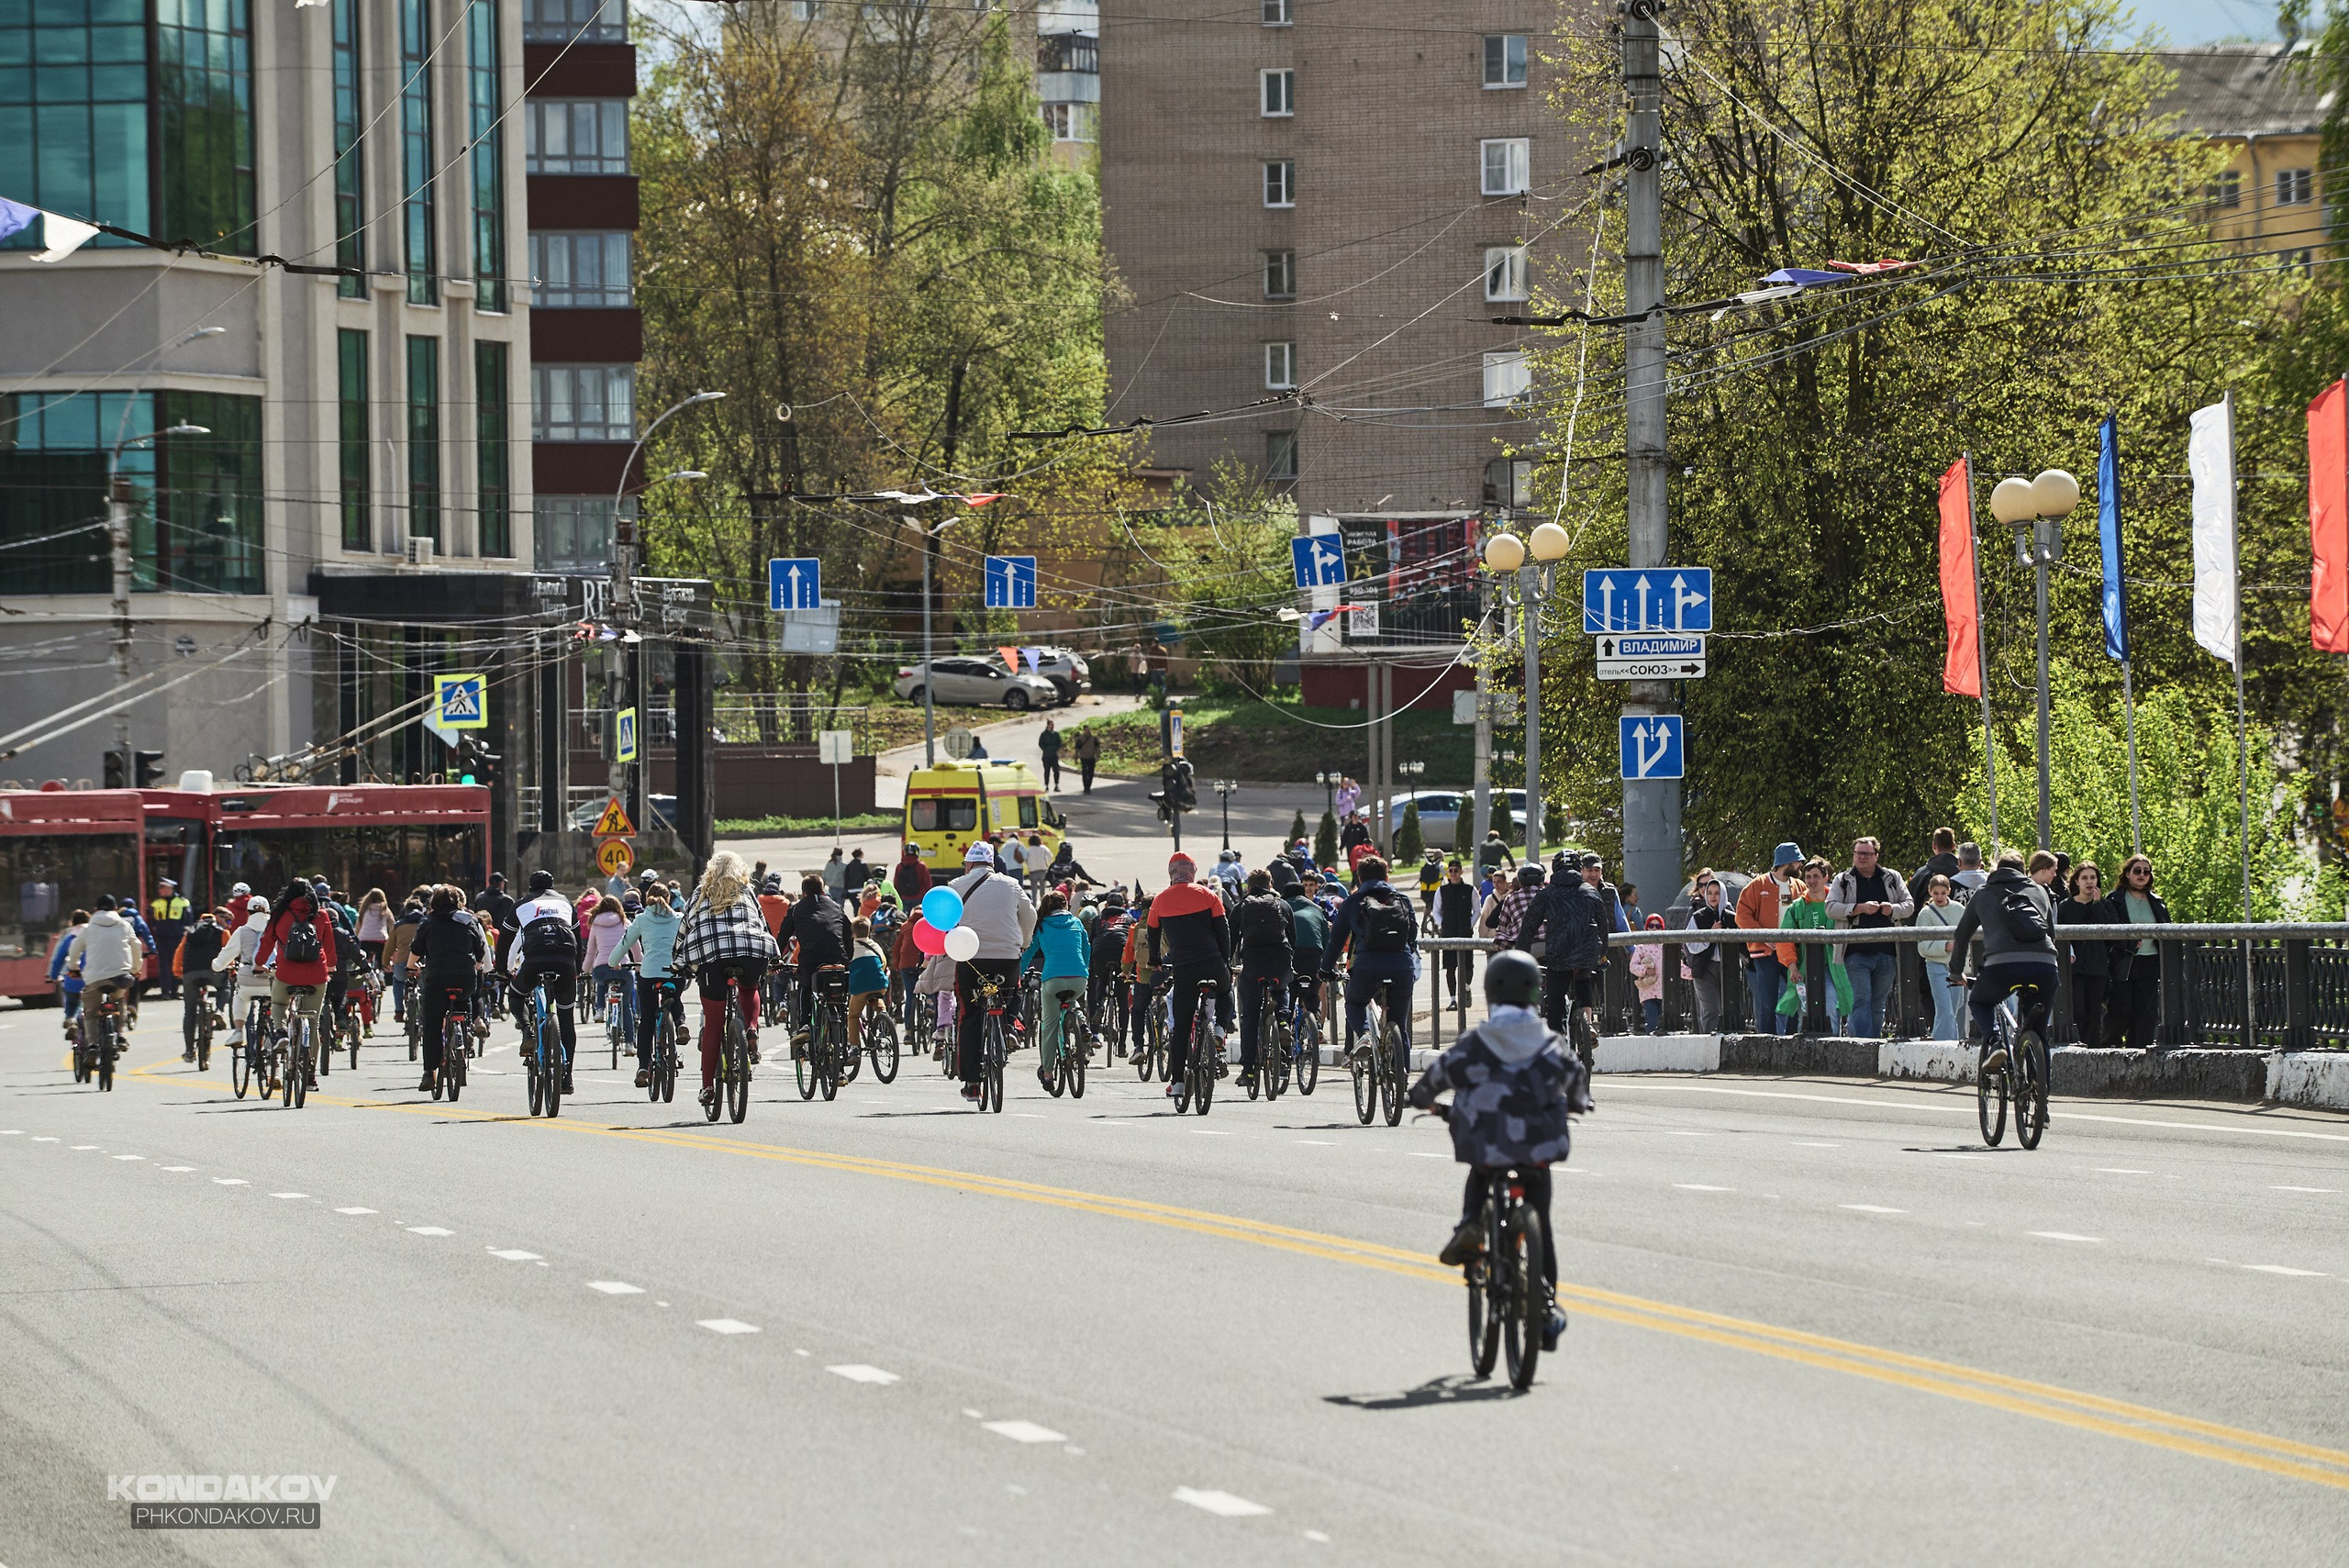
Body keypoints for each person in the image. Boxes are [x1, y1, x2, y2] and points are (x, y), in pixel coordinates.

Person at [1406, 949, 1590, 1353]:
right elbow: (1577, 1084)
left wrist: (1423, 1100)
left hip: (1488, 1144)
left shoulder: (1476, 1043)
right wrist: (1578, 1104)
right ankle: (1544, 1309)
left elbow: (1433, 1080)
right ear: (1536, 992)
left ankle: (1472, 1222)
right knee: (1541, 1221)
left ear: (1490, 992)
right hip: (1538, 1149)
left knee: (1482, 1170)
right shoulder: (1551, 1042)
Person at [675, 851, 779, 1111]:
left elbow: (685, 927)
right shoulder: (746, 891)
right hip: (750, 951)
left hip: (712, 957)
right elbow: (762, 925)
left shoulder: (700, 892)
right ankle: (752, 1029)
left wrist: (678, 962)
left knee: (713, 1024)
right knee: (749, 986)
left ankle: (708, 1087)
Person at [1948, 851, 2059, 1068]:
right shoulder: (2039, 891)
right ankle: (2040, 1092)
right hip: (2045, 966)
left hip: (2001, 967)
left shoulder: (1983, 893)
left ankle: (1996, 1041)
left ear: (1997, 870)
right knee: (2038, 1031)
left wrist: (1955, 972)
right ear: (2024, 871)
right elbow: (2051, 935)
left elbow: (1962, 936)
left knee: (1979, 1001)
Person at [949, 841, 1039, 1103]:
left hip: (970, 959)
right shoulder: (1011, 884)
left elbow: (945, 921)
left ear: (968, 863)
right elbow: (1030, 915)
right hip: (1006, 958)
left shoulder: (955, 886)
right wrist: (1022, 942)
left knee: (970, 1014)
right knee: (1014, 990)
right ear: (992, 863)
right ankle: (1010, 1025)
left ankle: (973, 1082)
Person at [1148, 851, 1233, 1098]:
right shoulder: (1209, 895)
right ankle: (1218, 1031)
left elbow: (1153, 936)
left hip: (1184, 968)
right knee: (1226, 991)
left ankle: (1177, 1083)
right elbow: (1223, 932)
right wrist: (1224, 962)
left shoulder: (1160, 901)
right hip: (1212, 962)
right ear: (1193, 872)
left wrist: (1155, 962)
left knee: (1182, 1027)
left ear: (1171, 873)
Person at [1323, 855, 1419, 1071]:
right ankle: (1401, 1075)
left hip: (1367, 967)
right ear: (1386, 876)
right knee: (1399, 1025)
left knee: (1354, 1003)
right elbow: (1412, 935)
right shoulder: (1402, 899)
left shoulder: (1353, 902)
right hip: (1402, 967)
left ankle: (1366, 1035)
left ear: (1358, 877)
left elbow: (1336, 941)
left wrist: (1325, 968)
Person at [1518, 854, 1609, 1053]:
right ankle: (1588, 1023)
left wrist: (1521, 954)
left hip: (1559, 953)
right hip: (1587, 952)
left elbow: (1529, 926)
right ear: (1579, 868)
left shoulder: (1547, 893)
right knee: (1583, 981)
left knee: (1556, 1000)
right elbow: (1604, 925)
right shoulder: (1590, 892)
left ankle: (1556, 1045)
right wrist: (1601, 953)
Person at [253, 881, 340, 1089]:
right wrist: (331, 967)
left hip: (287, 973)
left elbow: (266, 942)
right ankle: (310, 1075)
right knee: (313, 1021)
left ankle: (281, 1032)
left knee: (280, 1004)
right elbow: (329, 947)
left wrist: (258, 964)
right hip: (316, 975)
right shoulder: (321, 915)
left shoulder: (279, 915)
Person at [1824, 838, 1912, 1039]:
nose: (1861, 857)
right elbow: (1830, 908)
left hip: (1887, 952)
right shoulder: (1843, 879)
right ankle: (1862, 1048)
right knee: (1861, 1000)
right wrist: (1858, 908)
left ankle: (1874, 1046)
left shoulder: (1892, 877)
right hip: (1855, 953)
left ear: (1876, 856)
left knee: (1878, 1003)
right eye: (1858, 853)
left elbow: (1909, 905)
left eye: (1866, 854)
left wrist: (1893, 909)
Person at [505, 871, 583, 1095]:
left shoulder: (522, 904)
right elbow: (576, 938)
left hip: (535, 959)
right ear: (553, 886)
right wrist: (575, 970)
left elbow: (507, 940)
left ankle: (528, 1031)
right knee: (566, 1017)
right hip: (565, 959)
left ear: (530, 888)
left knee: (517, 994)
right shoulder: (565, 902)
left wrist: (502, 970)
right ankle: (567, 1076)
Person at [406, 886, 488, 1094]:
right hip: (464, 977)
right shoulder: (469, 920)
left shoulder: (428, 922)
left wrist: (411, 967)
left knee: (432, 1024)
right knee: (464, 999)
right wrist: (477, 965)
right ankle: (465, 1029)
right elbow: (479, 950)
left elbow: (416, 950)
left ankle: (428, 1072)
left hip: (437, 978)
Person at [1230, 868, 1295, 1092]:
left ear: (1249, 886)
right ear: (1270, 884)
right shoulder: (1282, 905)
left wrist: (1229, 965)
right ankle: (1284, 1022)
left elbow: (1232, 939)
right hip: (1280, 961)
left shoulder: (1242, 906)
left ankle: (1248, 1069)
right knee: (1282, 986)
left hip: (1254, 965)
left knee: (1249, 1016)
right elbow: (1292, 938)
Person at [1021, 891, 1091, 1089]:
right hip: (1079, 978)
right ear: (1066, 905)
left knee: (1049, 1026)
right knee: (1073, 997)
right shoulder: (1077, 923)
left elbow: (1028, 953)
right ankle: (1079, 1018)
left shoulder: (1042, 926)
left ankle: (1049, 1073)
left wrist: (1017, 975)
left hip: (1053, 979)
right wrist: (1084, 969)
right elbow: (1087, 949)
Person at [618, 888, 685, 1089]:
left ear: (647, 900)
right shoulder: (680, 918)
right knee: (675, 998)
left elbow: (625, 943)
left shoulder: (641, 919)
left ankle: (642, 1067)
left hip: (649, 973)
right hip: (674, 971)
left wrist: (613, 961)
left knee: (647, 1018)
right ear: (668, 899)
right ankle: (680, 1023)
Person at [67, 896, 146, 1063]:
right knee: (119, 1000)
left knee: (90, 1012)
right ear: (116, 909)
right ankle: (121, 1034)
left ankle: (94, 1045)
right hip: (121, 976)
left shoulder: (88, 929)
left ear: (96, 910)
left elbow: (75, 948)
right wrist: (136, 969)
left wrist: (74, 967)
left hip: (95, 978)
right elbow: (137, 946)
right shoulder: (125, 926)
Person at [1737, 843, 1803, 1035]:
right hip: (1765, 953)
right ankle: (1767, 1042)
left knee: (1794, 998)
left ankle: (1792, 1040)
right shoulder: (1758, 885)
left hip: (1793, 952)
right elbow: (1741, 915)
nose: (1800, 865)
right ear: (1787, 862)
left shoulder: (1799, 886)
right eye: (1797, 860)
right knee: (1767, 1002)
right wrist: (1763, 935)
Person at [2107, 853, 2171, 1050]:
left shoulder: (2157, 901)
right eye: (2137, 871)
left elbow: (2167, 927)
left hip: (2150, 961)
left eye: (2146, 872)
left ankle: (2140, 1051)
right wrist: (2129, 942)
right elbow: (2109, 928)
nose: (2142, 875)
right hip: (2124, 962)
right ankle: (2111, 1047)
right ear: (2127, 874)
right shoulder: (2115, 899)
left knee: (2147, 1012)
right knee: (2121, 1009)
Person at [786, 874, 850, 1058]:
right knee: (840, 1001)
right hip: (838, 958)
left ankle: (804, 1024)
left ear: (803, 893)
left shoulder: (797, 909)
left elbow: (784, 935)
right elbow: (847, 935)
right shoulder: (836, 907)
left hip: (811, 960)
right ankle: (841, 1053)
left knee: (805, 987)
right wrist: (847, 960)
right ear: (823, 891)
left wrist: (775, 958)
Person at [2055, 860, 2113, 1045]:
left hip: (2097, 967)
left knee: (2095, 1011)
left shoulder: (2105, 905)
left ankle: (2094, 1049)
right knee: (2078, 1009)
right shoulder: (2066, 906)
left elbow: (2109, 930)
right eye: (2085, 878)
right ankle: (2079, 1044)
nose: (2090, 882)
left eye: (2093, 878)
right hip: (2074, 967)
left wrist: (2097, 904)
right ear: (2077, 882)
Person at [1913, 874, 1965, 1040]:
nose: (1940, 897)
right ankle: (1948, 1045)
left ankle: (1939, 1041)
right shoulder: (1925, 914)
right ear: (1930, 892)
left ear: (1949, 891)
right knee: (1945, 1009)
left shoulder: (1959, 910)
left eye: (1943, 893)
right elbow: (1922, 947)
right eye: (1936, 893)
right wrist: (1944, 946)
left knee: (1954, 1009)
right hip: (1935, 964)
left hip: (1955, 965)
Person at [175, 908, 229, 1064]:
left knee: (189, 1012)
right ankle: (219, 1011)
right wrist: (231, 968)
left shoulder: (190, 932)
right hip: (214, 971)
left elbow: (179, 953)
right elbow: (229, 952)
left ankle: (189, 1051)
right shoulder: (222, 931)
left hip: (191, 973)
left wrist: (178, 972)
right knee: (224, 986)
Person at [1683, 870, 1730, 1034]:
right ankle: (1708, 1042)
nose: (1713, 896)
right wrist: (1710, 934)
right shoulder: (1698, 915)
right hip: (1704, 968)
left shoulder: (1730, 915)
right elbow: (1690, 943)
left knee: (1730, 1008)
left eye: (1717, 893)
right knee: (1710, 1009)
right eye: (1709, 892)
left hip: (1727, 967)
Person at [583, 893, 631, 1040]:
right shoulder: (625, 923)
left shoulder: (595, 924)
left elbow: (591, 952)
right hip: (623, 968)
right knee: (626, 1006)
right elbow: (636, 948)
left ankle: (600, 1009)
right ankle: (629, 1043)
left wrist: (585, 970)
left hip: (601, 968)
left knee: (601, 980)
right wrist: (639, 965)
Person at [1286, 873, 1330, 1024]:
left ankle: (1284, 1025)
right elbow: (1326, 939)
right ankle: (1316, 1026)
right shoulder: (1317, 908)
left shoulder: (1283, 906)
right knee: (1312, 993)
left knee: (1289, 991)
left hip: (1292, 955)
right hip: (1314, 954)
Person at [1436, 859, 1477, 1006]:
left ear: (1461, 871)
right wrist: (1443, 925)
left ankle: (1466, 988)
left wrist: (1469, 924)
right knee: (1450, 967)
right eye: (1451, 870)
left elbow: (1477, 910)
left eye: (1456, 870)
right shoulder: (1442, 891)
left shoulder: (1469, 889)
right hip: (1448, 934)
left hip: (1465, 933)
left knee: (1467, 966)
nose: (1453, 873)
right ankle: (1453, 999)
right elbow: (1436, 911)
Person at [846, 917, 890, 1052]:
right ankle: (884, 1022)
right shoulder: (875, 945)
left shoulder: (850, 947)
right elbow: (883, 963)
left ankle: (854, 1046)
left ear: (853, 933)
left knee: (853, 1015)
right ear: (869, 930)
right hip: (879, 984)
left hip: (860, 987)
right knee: (878, 1001)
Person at [384, 896, 424, 1022]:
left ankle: (399, 1011)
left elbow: (389, 947)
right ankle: (424, 1011)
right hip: (422, 964)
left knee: (398, 981)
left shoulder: (398, 925)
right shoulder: (426, 923)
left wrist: (385, 962)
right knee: (425, 988)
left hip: (402, 963)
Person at [150, 879, 191, 999]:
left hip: (177, 938)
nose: (160, 890)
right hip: (162, 938)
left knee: (176, 965)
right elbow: (152, 920)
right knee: (163, 966)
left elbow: (188, 920)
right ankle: (165, 992)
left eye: (162, 888)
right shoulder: (156, 903)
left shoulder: (183, 902)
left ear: (170, 889)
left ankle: (175, 991)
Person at [49, 908, 90, 1025]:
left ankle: (71, 1019)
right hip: (93, 978)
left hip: (74, 978)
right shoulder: (94, 938)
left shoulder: (69, 939)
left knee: (72, 1002)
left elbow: (58, 960)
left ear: (72, 922)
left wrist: (54, 976)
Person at [1629, 914, 1667, 1032]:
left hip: (1664, 993)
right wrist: (1645, 970)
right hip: (1648, 993)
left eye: (1658, 926)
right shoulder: (1641, 948)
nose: (1654, 928)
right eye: (1651, 925)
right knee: (1652, 1022)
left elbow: (1678, 966)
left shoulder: (1666, 947)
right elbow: (1633, 966)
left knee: (1665, 1023)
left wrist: (1693, 974)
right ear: (1647, 928)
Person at [1909, 828, 1962, 915]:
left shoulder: (1921, 875)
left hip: (1928, 925)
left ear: (1934, 845)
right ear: (1953, 846)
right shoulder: (1963, 875)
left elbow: (1912, 906)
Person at [893, 843, 932, 907]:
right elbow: (927, 883)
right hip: (919, 897)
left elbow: (896, 883)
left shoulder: (899, 866)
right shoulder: (921, 866)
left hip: (904, 897)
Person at [1074, 727, 1100, 794]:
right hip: (1084, 758)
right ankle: (1086, 788)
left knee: (1091, 773)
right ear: (1084, 730)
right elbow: (1077, 749)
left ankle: (1089, 786)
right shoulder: (1080, 739)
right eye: (1086, 730)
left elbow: (1097, 747)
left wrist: (1097, 755)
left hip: (1091, 757)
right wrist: (1076, 758)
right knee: (1085, 773)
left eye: (1089, 729)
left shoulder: (1094, 739)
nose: (1088, 731)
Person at [1038, 718, 1063, 790]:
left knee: (1056, 771)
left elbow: (1059, 743)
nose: (1052, 726)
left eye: (1053, 725)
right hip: (1046, 756)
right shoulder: (1043, 734)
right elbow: (1040, 743)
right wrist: (1045, 749)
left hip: (1054, 755)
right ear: (1048, 725)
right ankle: (1046, 785)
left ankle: (1056, 784)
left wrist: (1055, 749)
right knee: (1047, 771)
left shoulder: (1056, 734)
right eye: (1051, 725)